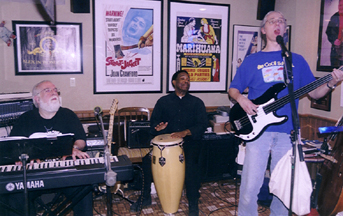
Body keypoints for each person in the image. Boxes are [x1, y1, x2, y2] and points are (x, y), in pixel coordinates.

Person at [228, 11, 343, 216]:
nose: (277, 24)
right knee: (249, 189)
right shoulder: (252, 60)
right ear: (264, 30)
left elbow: (315, 93)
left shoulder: (296, 61)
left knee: (283, 190)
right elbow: (233, 89)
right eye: (272, 21)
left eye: (281, 21)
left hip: (288, 133)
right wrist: (241, 99)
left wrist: (332, 83)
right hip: (258, 133)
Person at [2, 80, 92, 216]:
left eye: (55, 90)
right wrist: (23, 156)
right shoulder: (25, 119)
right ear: (36, 99)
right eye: (48, 90)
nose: (54, 92)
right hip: (34, 176)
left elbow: (81, 142)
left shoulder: (68, 115)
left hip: (65, 172)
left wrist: (71, 147)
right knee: (15, 196)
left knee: (84, 188)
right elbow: (15, 147)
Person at [130, 70, 208, 216]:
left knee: (191, 164)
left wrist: (185, 132)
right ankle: (145, 197)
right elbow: (154, 124)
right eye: (183, 79)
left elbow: (202, 125)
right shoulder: (163, 102)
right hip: (166, 145)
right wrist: (157, 128)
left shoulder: (197, 102)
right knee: (147, 161)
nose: (186, 82)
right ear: (174, 83)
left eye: (188, 79)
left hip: (189, 142)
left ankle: (193, 202)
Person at [326, 0, 343, 67]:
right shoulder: (334, 17)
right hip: (336, 50)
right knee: (334, 71)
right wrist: (334, 40)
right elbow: (328, 32)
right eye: (340, 5)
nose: (341, 7)